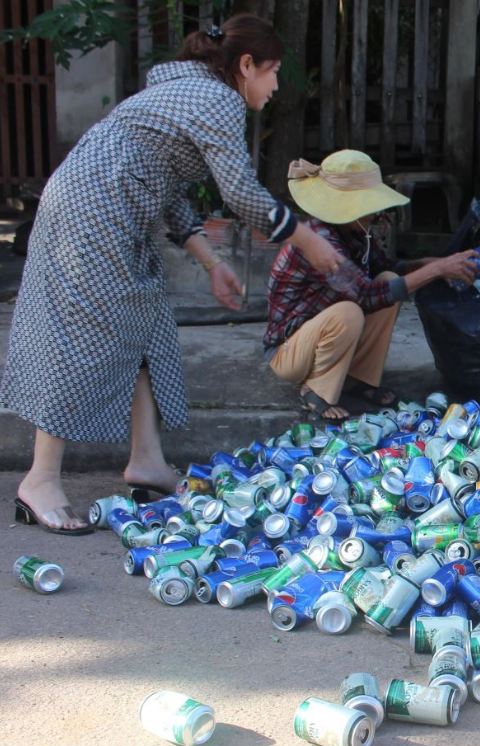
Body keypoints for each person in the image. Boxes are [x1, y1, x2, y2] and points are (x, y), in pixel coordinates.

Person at [0, 15, 344, 533]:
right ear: (245, 66)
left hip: (109, 208)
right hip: (94, 212)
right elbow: (242, 195)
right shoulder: (217, 99)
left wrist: (211, 263)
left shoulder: (191, 89)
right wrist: (305, 237)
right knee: (83, 336)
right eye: (271, 72)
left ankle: (147, 460)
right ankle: (41, 478)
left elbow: (169, 188)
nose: (275, 87)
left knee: (150, 329)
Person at [266, 150, 479, 421]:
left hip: (319, 335)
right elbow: (367, 296)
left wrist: (433, 263)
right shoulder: (321, 242)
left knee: (388, 280)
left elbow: (387, 270)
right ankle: (316, 391)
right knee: (349, 312)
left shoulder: (354, 232)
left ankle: (359, 379)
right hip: (289, 354)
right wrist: (436, 270)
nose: (376, 213)